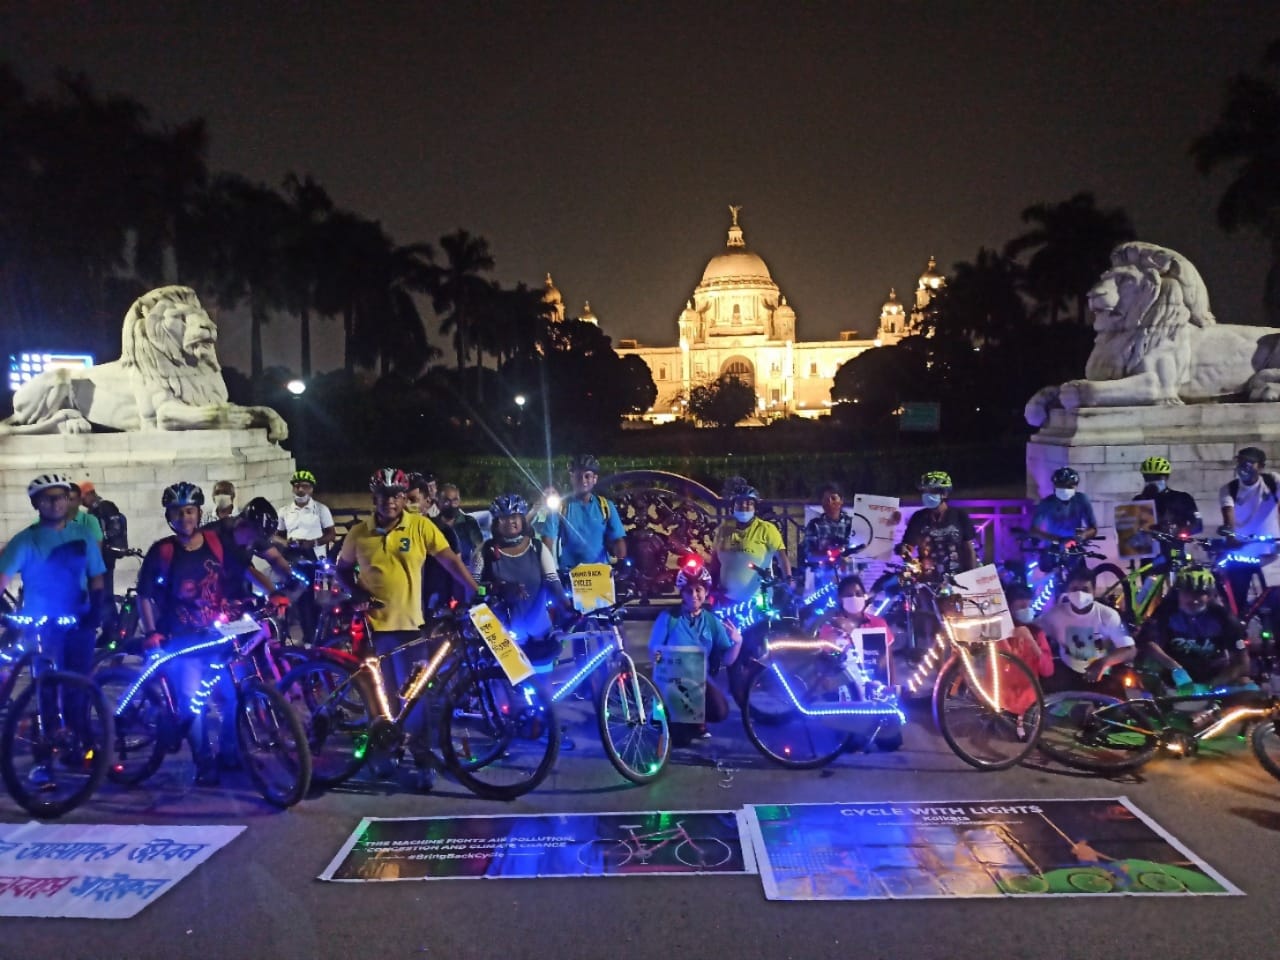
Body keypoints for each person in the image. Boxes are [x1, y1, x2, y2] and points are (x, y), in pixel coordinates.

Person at [335, 467, 479, 786]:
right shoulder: (359, 533)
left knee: (415, 697)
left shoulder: (420, 526)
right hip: (374, 628)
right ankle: (383, 752)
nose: (390, 501)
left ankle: (421, 755)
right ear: (375, 498)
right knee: (380, 696)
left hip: (412, 626)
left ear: (403, 498)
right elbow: (341, 570)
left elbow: (450, 560)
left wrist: (474, 591)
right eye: (384, 496)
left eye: (397, 495)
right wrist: (355, 592)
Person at [135, 482, 240, 785]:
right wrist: (151, 631)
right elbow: (144, 595)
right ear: (169, 516)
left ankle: (229, 753)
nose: (185, 518)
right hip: (180, 640)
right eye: (178, 512)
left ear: (199, 512)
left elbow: (239, 573)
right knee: (193, 705)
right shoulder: (163, 551)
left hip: (214, 636)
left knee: (231, 699)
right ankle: (204, 762)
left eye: (190, 511)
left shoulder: (216, 544)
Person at [0, 474, 106, 678]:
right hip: (41, 626)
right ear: (35, 503)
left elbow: (96, 577)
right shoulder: (24, 541)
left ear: (68, 499)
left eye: (60, 497)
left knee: (79, 687)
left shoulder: (83, 535)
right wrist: (6, 616)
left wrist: (96, 612)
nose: (55, 503)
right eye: (46, 499)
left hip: (80, 621)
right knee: (46, 686)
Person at [647, 563, 741, 746]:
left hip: (700, 682)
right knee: (681, 740)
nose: (694, 595)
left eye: (698, 590)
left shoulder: (712, 621)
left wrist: (738, 642)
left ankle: (696, 720)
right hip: (673, 683)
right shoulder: (668, 617)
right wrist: (663, 665)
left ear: (705, 591)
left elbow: (728, 660)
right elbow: (654, 652)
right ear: (681, 593)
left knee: (720, 711)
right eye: (688, 591)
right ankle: (662, 715)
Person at [477, 494, 571, 666]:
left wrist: (568, 609)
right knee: (505, 686)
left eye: (514, 517)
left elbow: (553, 582)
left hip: (539, 630)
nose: (510, 522)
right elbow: (473, 588)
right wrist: (497, 588)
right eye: (504, 518)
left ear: (522, 519)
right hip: (502, 632)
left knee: (544, 685)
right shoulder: (484, 551)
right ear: (497, 523)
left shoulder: (537, 547)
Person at [1139, 566, 1249, 690]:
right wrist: (1176, 668)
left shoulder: (1223, 617)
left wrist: (1211, 686)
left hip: (1214, 678)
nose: (1194, 600)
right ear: (1178, 593)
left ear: (1209, 596)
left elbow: (1242, 662)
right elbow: (1147, 642)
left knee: (1247, 686)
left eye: (1200, 594)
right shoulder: (1166, 611)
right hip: (1173, 677)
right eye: (1188, 593)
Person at [1038, 567, 1136, 697]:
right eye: (1074, 589)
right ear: (1067, 591)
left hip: (1103, 674)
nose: (1079, 594)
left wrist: (1103, 662)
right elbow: (1033, 632)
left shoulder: (1107, 615)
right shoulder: (1055, 615)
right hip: (1069, 672)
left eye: (1085, 590)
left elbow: (1130, 650)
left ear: (1094, 591)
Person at [542, 455, 626, 575]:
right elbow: (547, 539)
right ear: (571, 478)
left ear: (595, 479)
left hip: (600, 572)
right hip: (570, 572)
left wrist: (620, 563)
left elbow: (618, 539)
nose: (583, 480)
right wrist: (548, 568)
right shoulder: (561, 507)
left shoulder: (606, 506)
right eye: (577, 476)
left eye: (587, 476)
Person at [1218, 446, 1280, 607]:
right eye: (1240, 462)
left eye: (1248, 463)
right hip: (1241, 553)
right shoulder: (1229, 489)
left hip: (1270, 552)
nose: (1243, 467)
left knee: (1276, 600)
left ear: (1260, 466)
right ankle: (1240, 629)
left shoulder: (1272, 481)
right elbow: (1228, 514)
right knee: (1236, 602)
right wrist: (1230, 535)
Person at [898, 471, 978, 580]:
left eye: (932, 491)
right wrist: (904, 550)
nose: (927, 495)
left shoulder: (960, 516)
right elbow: (908, 545)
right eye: (925, 491)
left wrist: (972, 577)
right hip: (927, 580)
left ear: (944, 494)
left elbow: (969, 549)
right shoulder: (918, 517)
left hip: (958, 578)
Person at [816, 575, 896, 684]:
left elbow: (888, 660)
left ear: (864, 596)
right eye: (849, 595)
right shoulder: (830, 627)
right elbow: (825, 665)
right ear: (840, 599)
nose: (854, 598)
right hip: (846, 689)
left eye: (858, 594)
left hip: (878, 687)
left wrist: (893, 685)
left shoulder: (878, 623)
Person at [422, 483, 486, 611]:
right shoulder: (429, 524)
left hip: (464, 580)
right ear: (437, 501)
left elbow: (479, 549)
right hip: (437, 583)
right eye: (446, 501)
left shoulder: (469, 523)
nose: (451, 504)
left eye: (455, 500)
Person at [80, 480, 129, 636]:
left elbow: (114, 528)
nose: (82, 502)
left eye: (82, 498)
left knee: (105, 595)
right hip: (99, 558)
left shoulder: (105, 507)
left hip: (105, 558)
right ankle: (108, 631)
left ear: (89, 495)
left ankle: (112, 633)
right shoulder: (94, 512)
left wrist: (102, 540)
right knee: (100, 595)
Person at [1134, 456, 1202, 538]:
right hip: (1146, 548)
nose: (1152, 480)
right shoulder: (1138, 500)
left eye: (1157, 477)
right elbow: (1128, 528)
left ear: (1166, 477)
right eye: (1148, 477)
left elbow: (1197, 525)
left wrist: (1179, 532)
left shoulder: (1182, 498)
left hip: (1173, 547)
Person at [276, 469, 336, 560]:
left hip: (316, 557)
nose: (300, 489)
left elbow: (331, 534)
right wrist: (286, 542)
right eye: (297, 486)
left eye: (305, 486)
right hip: (293, 557)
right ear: (293, 488)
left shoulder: (321, 509)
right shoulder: (284, 511)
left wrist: (313, 543)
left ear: (311, 489)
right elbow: (278, 535)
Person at [1031, 467, 1098, 544]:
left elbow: (1093, 528)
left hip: (1075, 547)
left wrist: (1083, 535)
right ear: (1054, 486)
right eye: (1061, 486)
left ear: (1075, 487)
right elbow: (1034, 530)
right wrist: (1056, 539)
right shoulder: (1047, 502)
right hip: (1052, 547)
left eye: (1069, 487)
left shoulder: (1081, 500)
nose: (1065, 490)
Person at [803, 484, 854, 567]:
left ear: (841, 501)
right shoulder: (815, 525)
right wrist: (831, 555)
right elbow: (809, 555)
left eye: (833, 498)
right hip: (824, 572)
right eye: (826, 499)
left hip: (849, 573)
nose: (829, 502)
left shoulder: (851, 524)